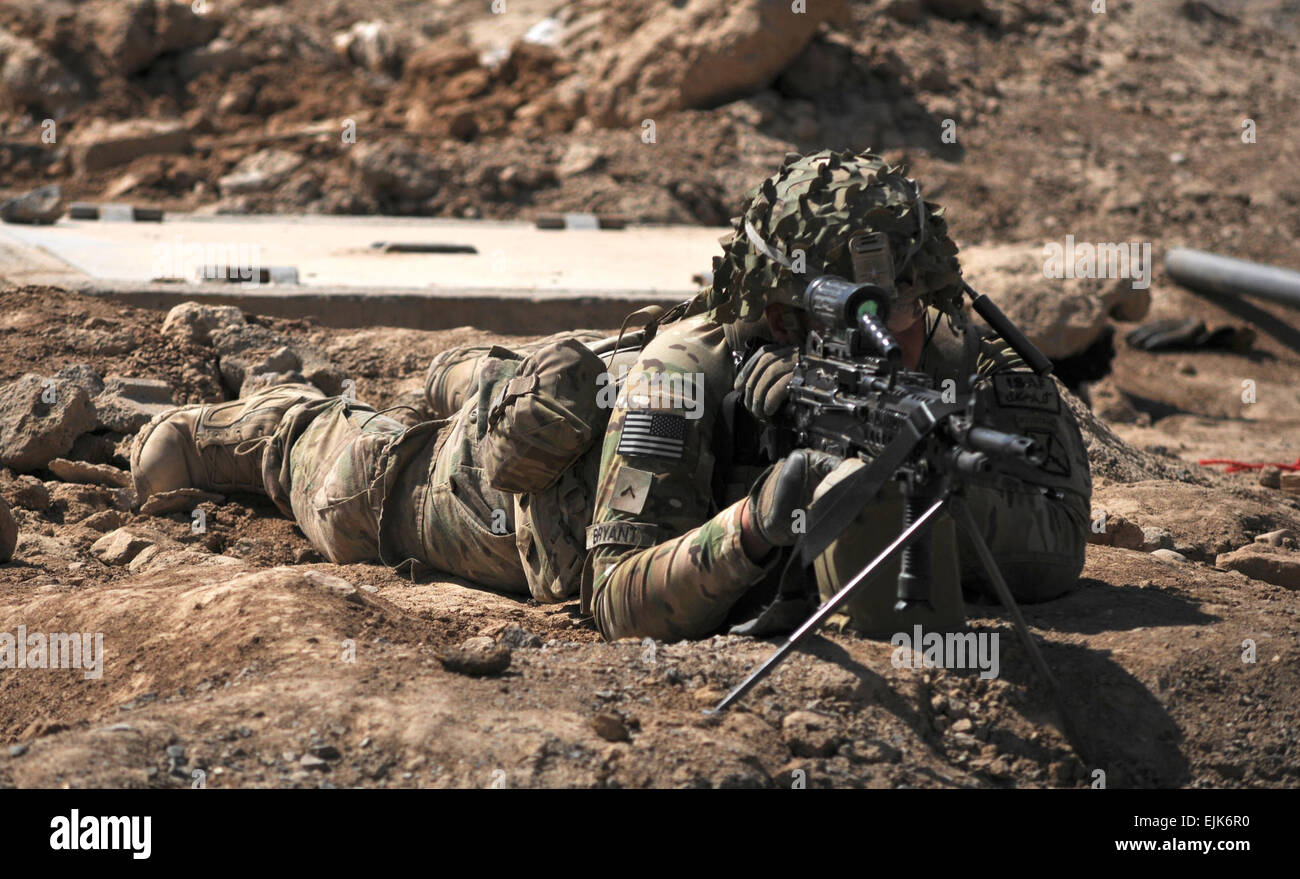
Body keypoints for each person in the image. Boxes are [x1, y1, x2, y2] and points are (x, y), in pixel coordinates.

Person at [131, 149, 1091, 643]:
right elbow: (617, 601)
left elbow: (1058, 527)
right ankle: (260, 404)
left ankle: (470, 368)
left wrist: (922, 496)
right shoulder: (686, 377)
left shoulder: (940, 342)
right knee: (355, 472)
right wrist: (759, 520)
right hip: (494, 503)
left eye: (909, 316)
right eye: (861, 325)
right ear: (787, 318)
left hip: (601, 390)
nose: (897, 345)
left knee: (517, 372)